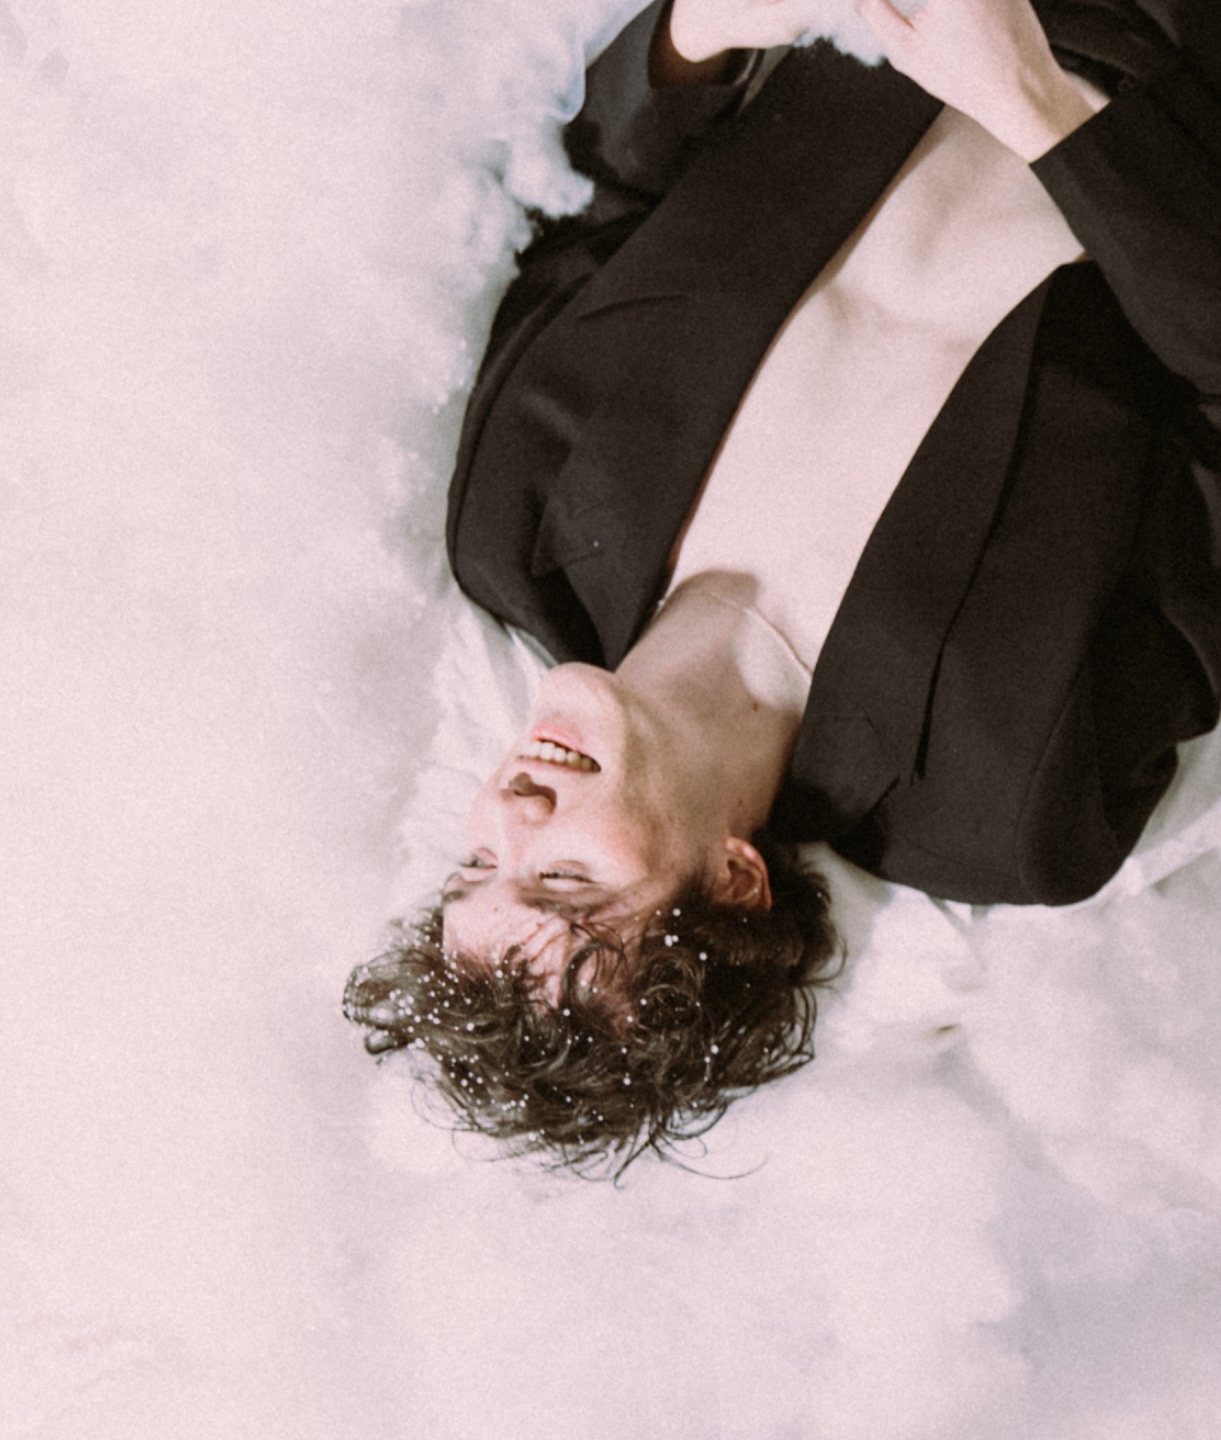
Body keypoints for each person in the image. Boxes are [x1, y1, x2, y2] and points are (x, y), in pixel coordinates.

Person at [346, 0, 1221, 1171]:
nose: (509, 813)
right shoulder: (1007, 799)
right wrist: (1033, 106)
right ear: (731, 880)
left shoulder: (518, 530)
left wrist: (703, 31)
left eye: (475, 865)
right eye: (562, 877)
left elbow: (595, 199)